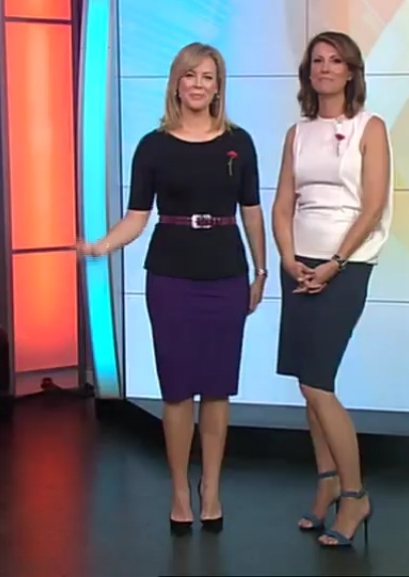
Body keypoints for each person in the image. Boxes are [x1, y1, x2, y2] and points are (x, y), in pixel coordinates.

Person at [78, 42, 267, 536]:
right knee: (178, 390)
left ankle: (212, 489)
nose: (198, 84)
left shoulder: (240, 143)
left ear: (218, 87)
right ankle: (180, 491)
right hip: (170, 277)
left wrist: (261, 271)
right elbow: (137, 218)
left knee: (218, 389)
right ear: (176, 84)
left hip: (226, 274)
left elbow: (251, 212)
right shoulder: (153, 146)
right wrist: (101, 246)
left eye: (208, 77)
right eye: (190, 75)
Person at [271, 30, 393, 548]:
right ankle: (325, 484)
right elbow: (283, 204)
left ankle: (354, 495)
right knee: (306, 383)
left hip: (346, 266)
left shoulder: (370, 127)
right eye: (317, 60)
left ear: (350, 72)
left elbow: (373, 205)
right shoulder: (297, 133)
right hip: (298, 265)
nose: (325, 68)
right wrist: (288, 258)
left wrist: (335, 263)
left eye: (335, 61)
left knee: (320, 382)